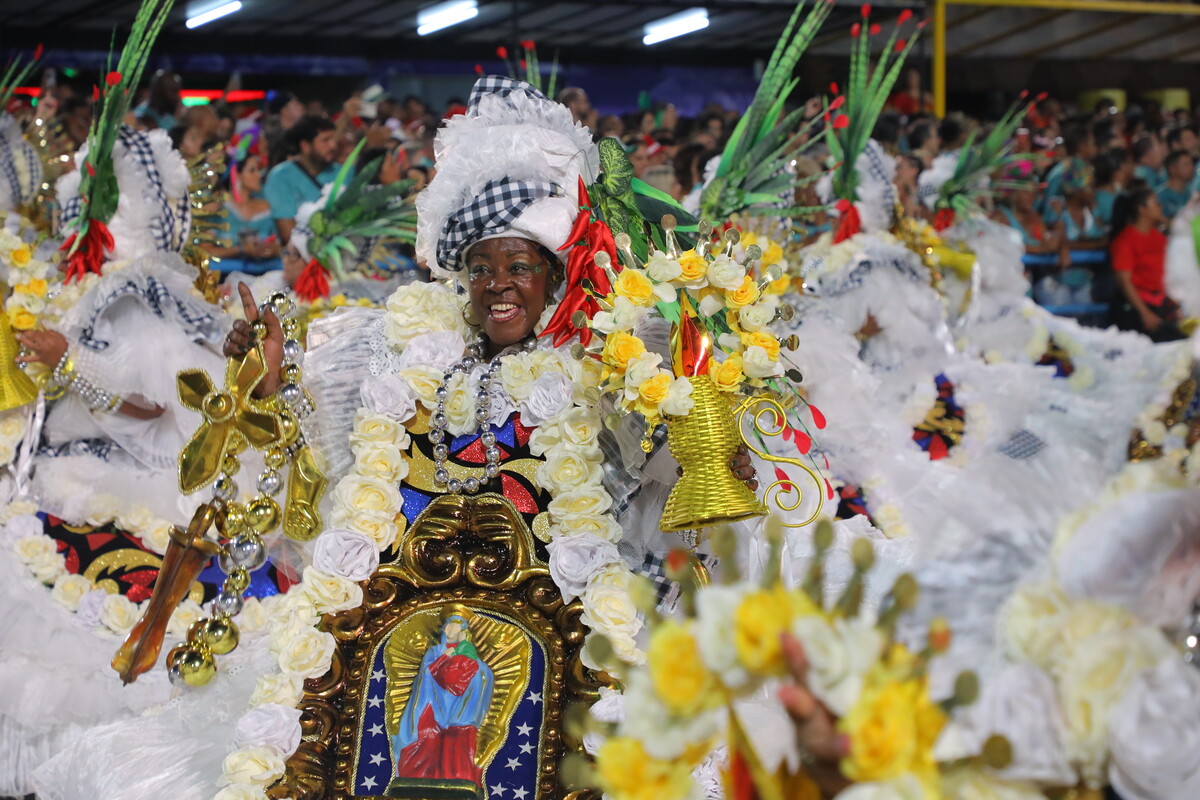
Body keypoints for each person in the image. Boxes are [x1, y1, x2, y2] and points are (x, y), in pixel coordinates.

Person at [391, 613, 494, 788]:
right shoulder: (435, 651)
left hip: (457, 706)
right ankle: (419, 777)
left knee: (455, 740)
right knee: (427, 737)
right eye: (447, 626)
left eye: (455, 626)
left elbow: (480, 674)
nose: (449, 630)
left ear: (463, 631)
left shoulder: (470, 654)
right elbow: (425, 674)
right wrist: (444, 657)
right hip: (432, 700)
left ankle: (453, 775)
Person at [1111, 183, 1184, 341]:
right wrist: (1144, 312)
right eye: (1155, 203)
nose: (1160, 207)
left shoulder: (1159, 238)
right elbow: (1124, 281)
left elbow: (1165, 274)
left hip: (1161, 304)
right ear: (1142, 209)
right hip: (1137, 308)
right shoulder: (1126, 240)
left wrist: (1174, 305)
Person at [263, 114, 340, 243]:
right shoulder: (281, 177)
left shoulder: (344, 171)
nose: (333, 146)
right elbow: (289, 234)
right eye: (325, 140)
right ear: (305, 146)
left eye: (333, 139)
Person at [205, 153, 282, 276]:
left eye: (258, 170)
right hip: (224, 275)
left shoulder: (266, 207)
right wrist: (240, 250)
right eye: (252, 171)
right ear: (236, 175)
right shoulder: (217, 208)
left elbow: (281, 245)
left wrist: (273, 250)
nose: (258, 175)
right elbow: (205, 251)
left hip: (265, 273)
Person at [1157, 150, 1195, 220]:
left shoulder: (1191, 193)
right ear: (1172, 169)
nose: (1192, 168)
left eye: (1192, 164)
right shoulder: (1160, 196)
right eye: (1186, 165)